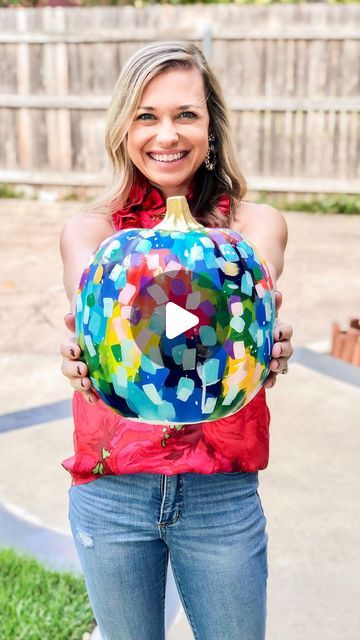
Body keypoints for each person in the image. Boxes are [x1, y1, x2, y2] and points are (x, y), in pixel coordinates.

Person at [60, 41, 293, 640]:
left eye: (185, 114)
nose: (168, 133)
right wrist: (78, 355)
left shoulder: (254, 227)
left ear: (210, 127)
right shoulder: (90, 232)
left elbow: (237, 310)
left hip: (221, 493)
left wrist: (266, 337)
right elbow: (101, 325)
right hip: (112, 490)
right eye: (147, 115)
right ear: (124, 130)